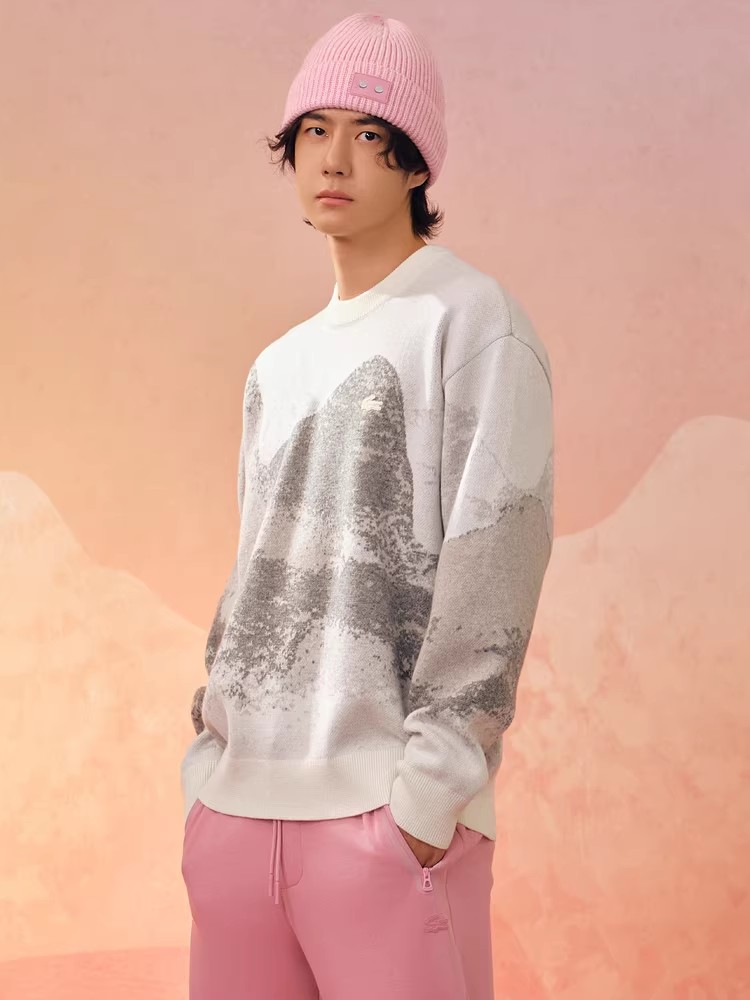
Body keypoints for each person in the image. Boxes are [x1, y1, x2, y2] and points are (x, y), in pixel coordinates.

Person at [180, 12, 554, 1000]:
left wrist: (428, 796)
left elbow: (497, 558)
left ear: (417, 161)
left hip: (385, 821)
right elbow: (252, 574)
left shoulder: (472, 321)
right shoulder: (277, 365)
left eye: (370, 134)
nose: (334, 158)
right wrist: (206, 770)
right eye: (314, 130)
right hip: (236, 817)